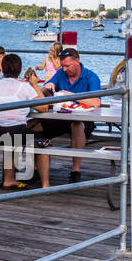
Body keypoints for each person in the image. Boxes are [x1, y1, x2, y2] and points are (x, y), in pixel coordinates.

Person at [29, 47, 101, 183]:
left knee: (77, 125)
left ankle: (75, 170)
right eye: (62, 66)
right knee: (33, 126)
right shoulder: (60, 73)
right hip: (61, 117)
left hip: (84, 118)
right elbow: (42, 93)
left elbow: (96, 102)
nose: (65, 69)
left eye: (67, 66)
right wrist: (46, 87)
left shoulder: (91, 76)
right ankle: (36, 168)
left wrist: (72, 96)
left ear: (77, 62)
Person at [0, 53, 45, 189]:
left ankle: (9, 179)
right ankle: (45, 183)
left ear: (3, 69)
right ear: (20, 69)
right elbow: (44, 107)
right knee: (42, 140)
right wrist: (34, 85)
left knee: (9, 136)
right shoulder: (25, 87)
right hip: (12, 134)